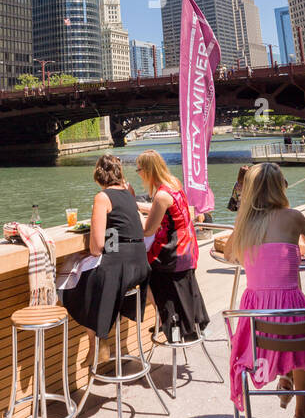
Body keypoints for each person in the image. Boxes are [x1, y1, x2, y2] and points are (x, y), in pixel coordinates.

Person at [227, 163, 305, 418]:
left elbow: (228, 254)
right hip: (292, 317)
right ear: (280, 187)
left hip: (255, 325)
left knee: (291, 332)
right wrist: (299, 249)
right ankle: (302, 414)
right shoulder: (294, 218)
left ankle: (288, 381)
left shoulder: (244, 223)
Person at [59, 155, 150, 352]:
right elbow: (120, 232)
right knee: (95, 280)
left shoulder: (102, 198)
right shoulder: (128, 193)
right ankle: (100, 339)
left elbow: (96, 247)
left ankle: (98, 341)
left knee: (75, 285)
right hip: (140, 265)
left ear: (98, 175)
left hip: (121, 270)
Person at [136, 150, 210, 342]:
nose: (138, 174)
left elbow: (148, 230)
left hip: (173, 253)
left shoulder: (161, 195)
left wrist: (132, 216)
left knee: (142, 271)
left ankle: (165, 317)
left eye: (139, 170)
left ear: (147, 170)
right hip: (188, 247)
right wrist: (136, 205)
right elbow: (163, 211)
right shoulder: (173, 184)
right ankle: (169, 318)